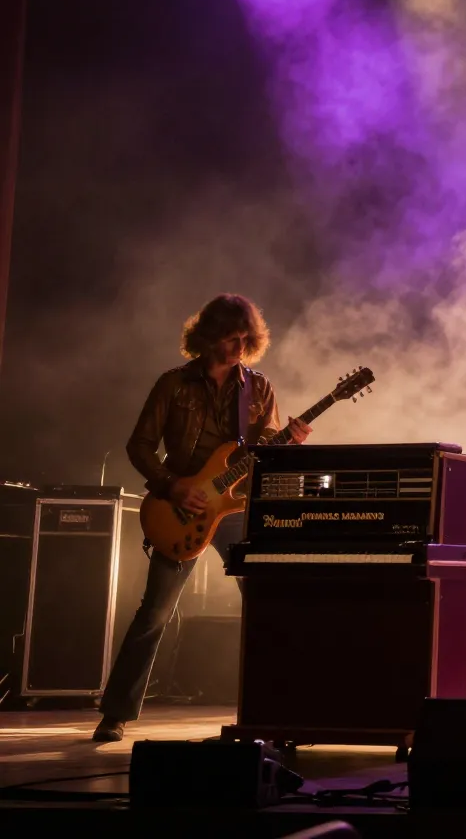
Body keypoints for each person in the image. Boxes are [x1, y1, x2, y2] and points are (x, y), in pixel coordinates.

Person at [95, 294, 312, 743]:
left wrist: (290, 441)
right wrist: (172, 486)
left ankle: (274, 710)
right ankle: (115, 714)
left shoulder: (258, 389)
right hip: (180, 509)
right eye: (231, 338)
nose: (239, 348)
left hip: (233, 510)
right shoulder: (174, 385)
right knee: (155, 612)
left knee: (266, 604)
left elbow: (265, 453)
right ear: (209, 337)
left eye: (245, 339)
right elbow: (139, 446)